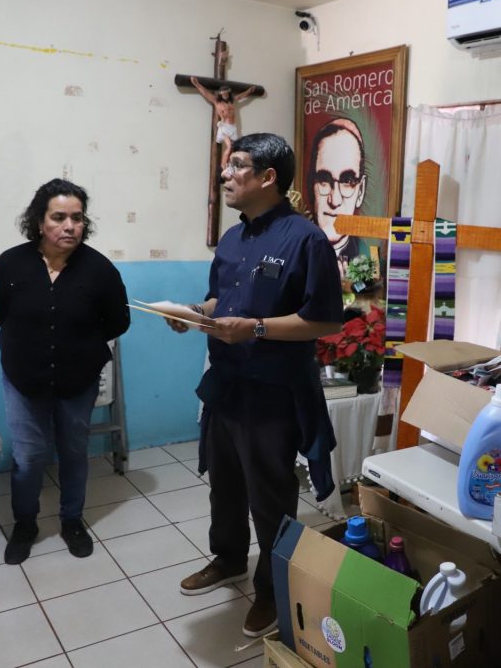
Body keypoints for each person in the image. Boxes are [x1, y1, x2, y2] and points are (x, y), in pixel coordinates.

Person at [166, 133, 343, 638]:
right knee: (224, 484)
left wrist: (257, 328)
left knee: (270, 497)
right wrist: (195, 313)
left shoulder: (305, 240)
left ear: (268, 177)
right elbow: (222, 301)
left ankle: (272, 588)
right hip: (228, 384)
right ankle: (228, 559)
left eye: (237, 166)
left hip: (273, 390)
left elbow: (325, 321)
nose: (225, 175)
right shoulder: (232, 239)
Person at [0, 178, 130, 565]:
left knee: (73, 451)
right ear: (39, 221)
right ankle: (25, 524)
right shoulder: (12, 263)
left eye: (77, 218)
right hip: (23, 376)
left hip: (77, 378)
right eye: (59, 217)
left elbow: (119, 321)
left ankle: (71, 520)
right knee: (30, 455)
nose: (70, 226)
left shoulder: (99, 269)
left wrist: (79, 342)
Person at [308, 117, 369, 275]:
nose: (335, 200)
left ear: (361, 191)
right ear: (311, 184)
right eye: (324, 180)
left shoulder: (367, 257)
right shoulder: (297, 250)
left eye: (347, 181)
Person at [190, 76, 256, 168]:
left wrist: (249, 91)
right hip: (224, 127)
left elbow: (241, 96)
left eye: (227, 93)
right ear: (220, 94)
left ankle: (230, 165)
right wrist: (196, 84)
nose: (225, 95)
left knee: (234, 148)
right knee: (229, 146)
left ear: (229, 93)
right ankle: (223, 165)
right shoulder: (216, 101)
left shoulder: (232, 101)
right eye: (223, 93)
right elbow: (205, 93)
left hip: (233, 127)